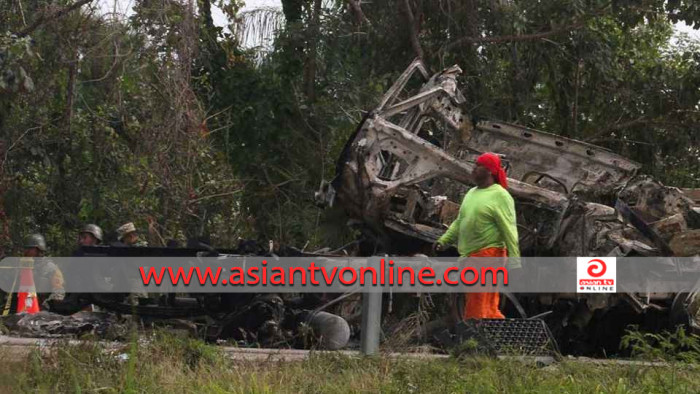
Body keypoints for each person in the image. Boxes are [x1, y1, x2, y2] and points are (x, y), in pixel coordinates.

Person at [434, 152, 520, 319]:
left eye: (477, 166)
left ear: (489, 171)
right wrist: (444, 240)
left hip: (489, 253)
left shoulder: (501, 195)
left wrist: (514, 260)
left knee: (478, 301)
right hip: (471, 254)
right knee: (485, 303)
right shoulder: (472, 192)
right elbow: (460, 221)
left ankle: (473, 339)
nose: (473, 169)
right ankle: (490, 336)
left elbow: (509, 230)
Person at [23, 233, 65, 310]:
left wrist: (47, 305)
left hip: (43, 311)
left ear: (38, 249)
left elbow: (59, 291)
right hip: (24, 308)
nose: (26, 251)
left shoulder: (51, 268)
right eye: (26, 249)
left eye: (29, 249)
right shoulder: (23, 267)